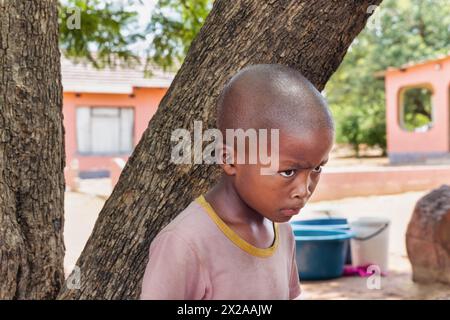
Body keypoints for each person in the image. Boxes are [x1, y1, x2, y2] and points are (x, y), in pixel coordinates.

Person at [140, 64, 334, 299]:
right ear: (230, 159)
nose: (304, 191)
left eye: (317, 168)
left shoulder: (282, 231)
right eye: (288, 172)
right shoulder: (185, 244)